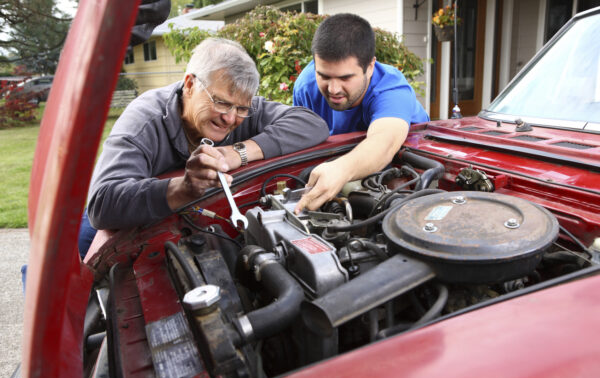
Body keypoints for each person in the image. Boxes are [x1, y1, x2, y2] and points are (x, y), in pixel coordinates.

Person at [84, 37, 329, 236]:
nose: (231, 119)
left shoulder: (244, 109)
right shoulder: (143, 120)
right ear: (189, 85)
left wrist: (238, 153)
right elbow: (102, 203)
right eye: (221, 103)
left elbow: (312, 124)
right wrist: (182, 188)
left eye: (242, 108)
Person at [292, 13, 429, 213]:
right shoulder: (306, 86)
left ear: (370, 67)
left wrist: (340, 170)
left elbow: (384, 142)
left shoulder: (390, 89)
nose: (333, 89)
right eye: (324, 76)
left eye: (345, 78)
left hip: (401, 175)